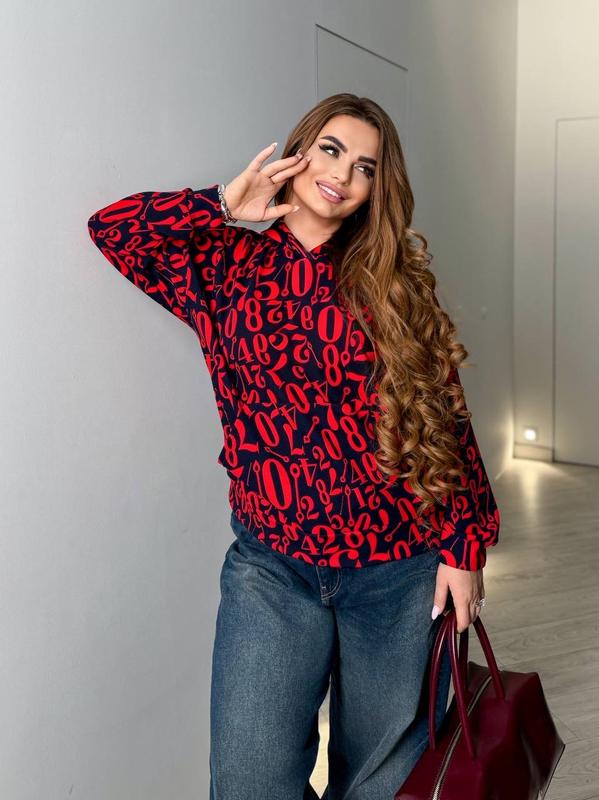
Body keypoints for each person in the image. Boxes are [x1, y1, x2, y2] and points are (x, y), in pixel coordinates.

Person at [87, 93, 500, 800]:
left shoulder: (393, 286)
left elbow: (446, 419)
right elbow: (111, 229)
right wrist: (223, 204)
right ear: (299, 150)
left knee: (379, 784)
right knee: (248, 780)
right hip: (272, 567)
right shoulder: (225, 263)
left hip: (398, 568)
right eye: (331, 150)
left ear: (377, 188)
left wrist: (466, 546)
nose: (342, 175)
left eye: (365, 167)